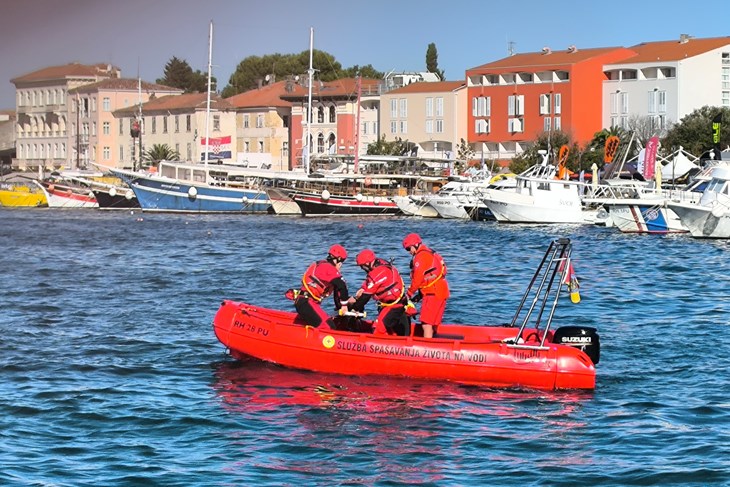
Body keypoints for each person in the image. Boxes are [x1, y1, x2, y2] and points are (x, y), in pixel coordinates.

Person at [352, 249, 410, 336]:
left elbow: (365, 297)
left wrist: (354, 309)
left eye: (362, 266)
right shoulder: (380, 264)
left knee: (379, 329)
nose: (362, 269)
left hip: (393, 306)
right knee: (391, 328)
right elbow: (369, 284)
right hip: (394, 303)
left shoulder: (378, 273)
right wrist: (362, 289)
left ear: (367, 264)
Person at [294, 244, 352, 330]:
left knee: (330, 324)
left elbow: (338, 290)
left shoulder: (324, 266)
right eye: (342, 262)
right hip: (306, 302)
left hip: (306, 302)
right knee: (328, 327)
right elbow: (341, 285)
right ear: (338, 260)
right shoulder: (328, 268)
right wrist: (344, 306)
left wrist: (341, 307)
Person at [402, 233, 449, 338]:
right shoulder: (429, 252)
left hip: (433, 293)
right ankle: (434, 343)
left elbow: (417, 278)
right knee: (433, 323)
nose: (409, 252)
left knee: (426, 323)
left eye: (409, 248)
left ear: (416, 245)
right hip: (441, 291)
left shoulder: (421, 256)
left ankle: (427, 348)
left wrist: (408, 294)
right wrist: (419, 295)